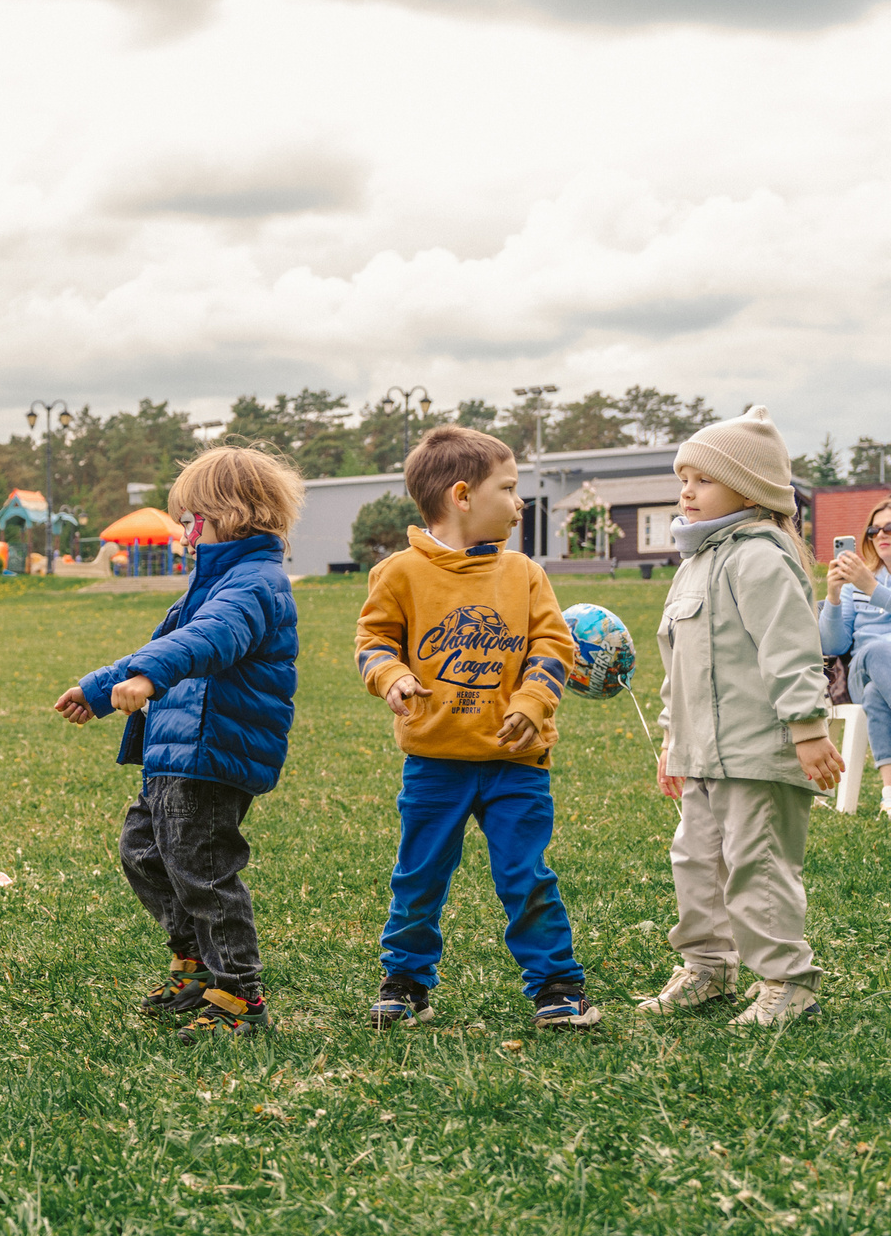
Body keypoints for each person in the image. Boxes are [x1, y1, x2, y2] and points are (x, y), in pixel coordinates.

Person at [353, 425, 597, 1031]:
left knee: (525, 875)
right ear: (462, 496)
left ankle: (557, 986)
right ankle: (405, 981)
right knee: (419, 876)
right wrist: (392, 677)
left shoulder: (524, 573)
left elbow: (553, 644)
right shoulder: (398, 574)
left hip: (517, 761)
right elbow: (374, 641)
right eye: (508, 489)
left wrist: (534, 701)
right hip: (434, 762)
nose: (519, 502)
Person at [55, 447, 304, 1040]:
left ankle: (239, 992)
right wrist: (99, 688)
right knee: (143, 851)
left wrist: (147, 679)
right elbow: (163, 643)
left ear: (231, 515)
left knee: (204, 871)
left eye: (192, 520)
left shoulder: (255, 584)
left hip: (211, 753)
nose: (186, 534)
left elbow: (208, 640)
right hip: (177, 752)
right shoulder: (211, 582)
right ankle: (194, 961)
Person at [644, 407, 841, 1025]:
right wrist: (674, 740)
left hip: (757, 752)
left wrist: (808, 730)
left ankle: (789, 982)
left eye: (703, 479)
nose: (687, 491)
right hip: (703, 754)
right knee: (697, 863)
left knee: (758, 867)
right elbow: (678, 665)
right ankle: (708, 967)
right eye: (684, 479)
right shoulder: (695, 563)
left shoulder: (760, 558)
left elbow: (791, 650)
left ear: (750, 490)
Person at [819, 494, 891, 816]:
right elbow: (833, 645)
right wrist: (834, 596)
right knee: (877, 649)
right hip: (863, 668)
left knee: (877, 693)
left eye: (889, 528)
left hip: (878, 686)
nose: (881, 535)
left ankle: (889, 794)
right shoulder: (853, 585)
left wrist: (873, 588)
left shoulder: (867, 582)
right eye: (874, 530)